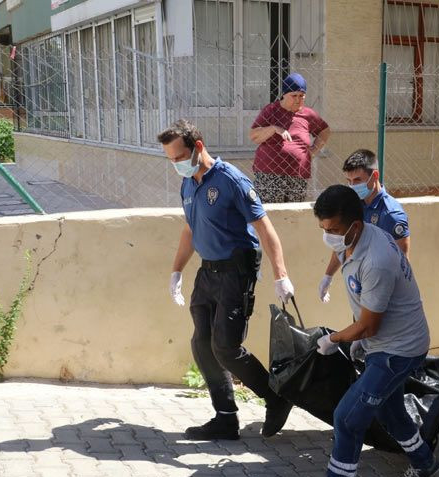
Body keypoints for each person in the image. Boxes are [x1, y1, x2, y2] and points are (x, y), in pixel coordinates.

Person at [294, 185, 439, 477]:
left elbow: (370, 326)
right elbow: (364, 307)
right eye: (323, 230)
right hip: (386, 343)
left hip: (397, 350)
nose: (328, 237)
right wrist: (328, 277)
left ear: (354, 226)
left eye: (332, 230)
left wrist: (336, 339)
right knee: (389, 411)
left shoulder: (377, 260)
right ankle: (425, 462)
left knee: (348, 417)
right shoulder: (360, 237)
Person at [159, 119, 295, 441]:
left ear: (199, 148)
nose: (175, 164)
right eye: (171, 160)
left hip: (237, 269)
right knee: (202, 344)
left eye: (179, 157)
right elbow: (190, 230)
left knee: (226, 346)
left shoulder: (231, 179)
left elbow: (264, 227)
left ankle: (276, 397)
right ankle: (225, 417)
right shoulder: (189, 184)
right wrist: (177, 270)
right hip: (208, 271)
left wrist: (281, 276)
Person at [318, 149, 410, 302]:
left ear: (375, 176)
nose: (352, 186)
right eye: (349, 181)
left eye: (357, 180)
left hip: (383, 296)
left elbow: (402, 264)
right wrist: (328, 276)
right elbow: (342, 244)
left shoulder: (391, 215)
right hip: (360, 289)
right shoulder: (353, 206)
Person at [249, 72, 331, 203]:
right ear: (284, 94)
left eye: (301, 96)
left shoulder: (308, 114)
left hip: (298, 175)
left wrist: (314, 150)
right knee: (271, 215)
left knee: (294, 217)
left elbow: (325, 131)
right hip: (270, 174)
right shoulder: (270, 110)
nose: (298, 100)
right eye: (294, 96)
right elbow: (254, 136)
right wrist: (274, 129)